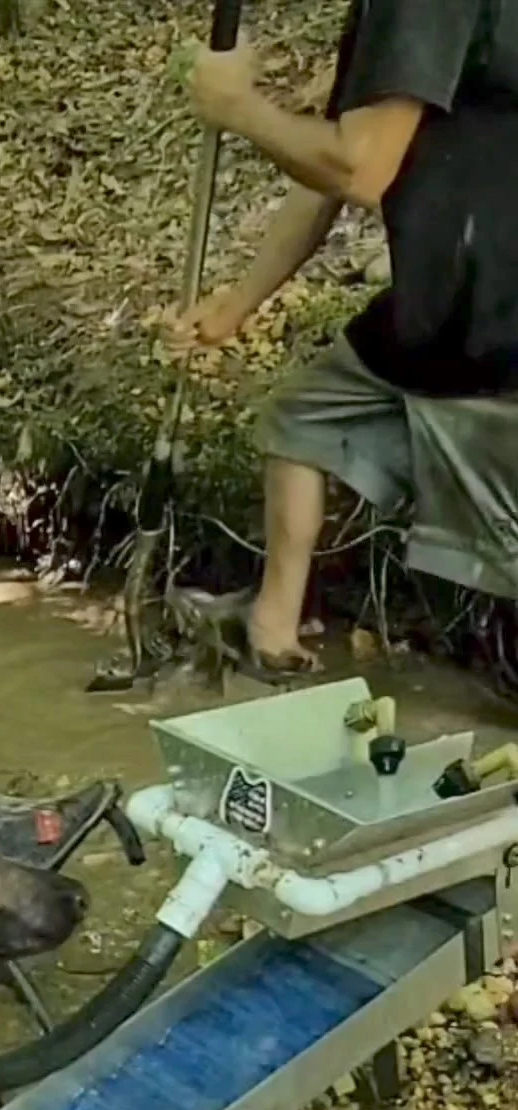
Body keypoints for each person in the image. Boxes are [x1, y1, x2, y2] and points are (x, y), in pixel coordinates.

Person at [172, 0, 518, 678]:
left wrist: (237, 105)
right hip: (448, 303)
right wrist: (239, 303)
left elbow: (356, 170)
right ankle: (272, 629)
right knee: (306, 414)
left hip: (485, 327)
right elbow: (328, 167)